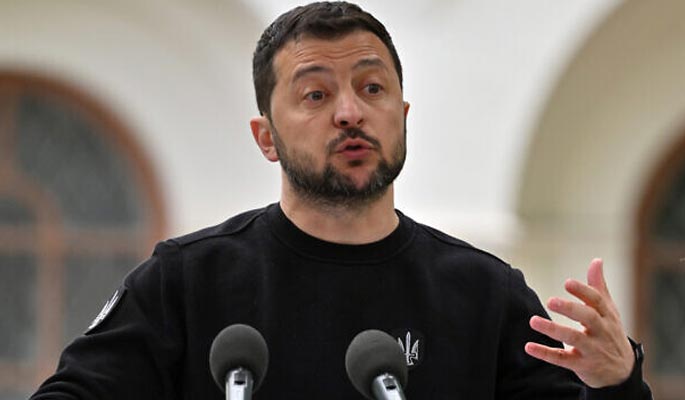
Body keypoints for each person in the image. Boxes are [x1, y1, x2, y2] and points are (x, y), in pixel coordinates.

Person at [31, 2, 652, 399]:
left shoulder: (484, 295)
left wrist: (617, 381)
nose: (352, 113)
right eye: (316, 95)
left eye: (372, 88)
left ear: (402, 117)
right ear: (265, 137)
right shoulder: (186, 281)